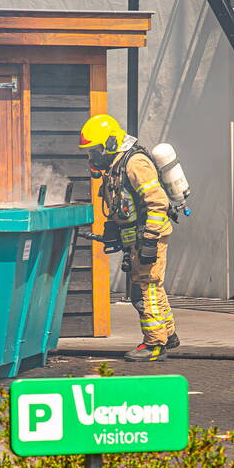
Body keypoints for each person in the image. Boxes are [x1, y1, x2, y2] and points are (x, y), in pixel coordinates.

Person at [78, 114, 179, 362]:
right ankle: (169, 334)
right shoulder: (115, 166)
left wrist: (149, 241)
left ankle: (154, 344)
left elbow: (157, 204)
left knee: (147, 289)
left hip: (149, 237)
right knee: (151, 286)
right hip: (135, 238)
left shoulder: (135, 164)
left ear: (111, 143)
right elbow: (120, 203)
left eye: (95, 150)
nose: (92, 156)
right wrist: (113, 228)